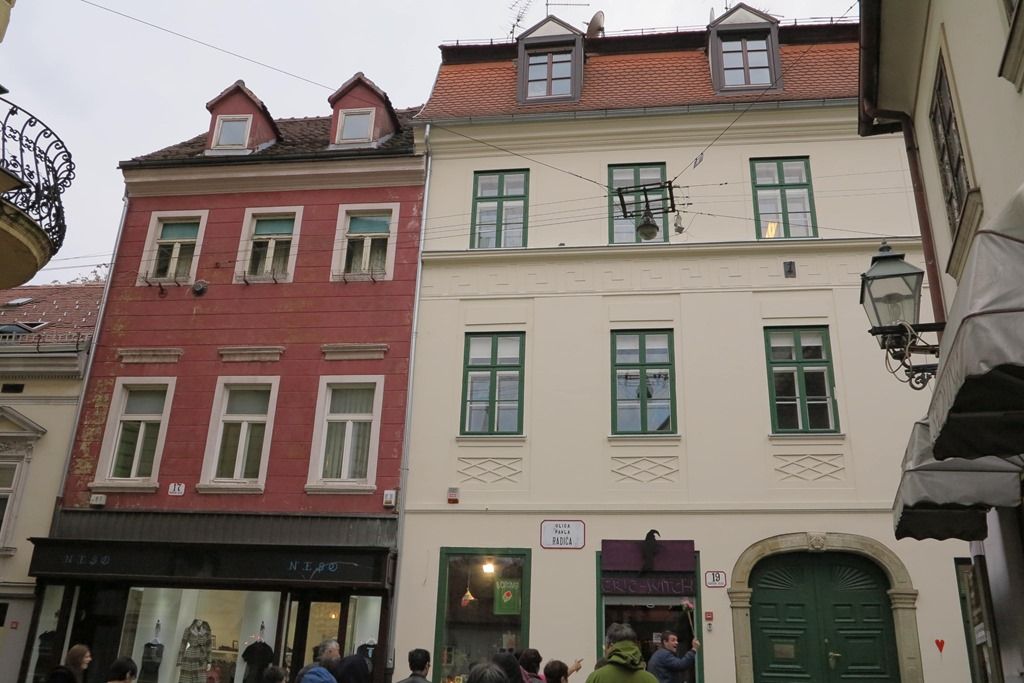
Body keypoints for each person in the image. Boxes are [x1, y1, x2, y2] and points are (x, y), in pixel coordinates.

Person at [584, 624, 656, 683]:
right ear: (635, 646)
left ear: (610, 646)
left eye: (605, 647)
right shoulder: (650, 679)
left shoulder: (596, 678)